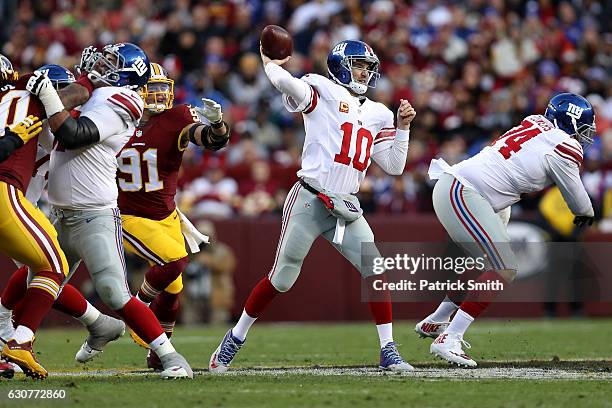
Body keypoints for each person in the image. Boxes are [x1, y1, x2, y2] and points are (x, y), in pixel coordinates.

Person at [209, 40, 416, 373]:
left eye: (368, 66)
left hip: (347, 206)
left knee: (376, 271)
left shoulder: (378, 112)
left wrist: (404, 128)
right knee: (283, 278)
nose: (366, 71)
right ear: (340, 65)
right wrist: (270, 63)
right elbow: (283, 82)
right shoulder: (322, 88)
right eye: (359, 64)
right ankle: (236, 336)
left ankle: (388, 349)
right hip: (310, 198)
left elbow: (394, 165)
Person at [25, 43, 192, 378]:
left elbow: (73, 134)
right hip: (59, 213)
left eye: (113, 62)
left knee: (114, 290)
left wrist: (56, 94)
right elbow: (66, 105)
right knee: (38, 282)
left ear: (130, 72)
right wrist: (78, 85)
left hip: (94, 214)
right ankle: (21, 341)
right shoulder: (95, 92)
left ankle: (171, 357)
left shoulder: (124, 99)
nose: (105, 65)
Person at [417, 93, 596, 367]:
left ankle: (440, 318)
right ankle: (450, 337)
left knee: (487, 264)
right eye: (583, 129)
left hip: (467, 191)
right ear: (569, 122)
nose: (584, 136)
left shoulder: (535, 123)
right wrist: (587, 212)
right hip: (464, 191)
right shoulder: (564, 146)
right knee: (505, 267)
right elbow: (578, 202)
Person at [0, 64, 125, 377]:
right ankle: (19, 334)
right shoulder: (30, 109)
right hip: (9, 199)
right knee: (51, 266)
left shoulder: (24, 108)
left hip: (20, 202)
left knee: (41, 267)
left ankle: (11, 331)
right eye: (61, 95)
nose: (69, 106)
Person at [115, 62, 229, 370]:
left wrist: (218, 126)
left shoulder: (176, 117)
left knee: (174, 287)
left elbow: (207, 138)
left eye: (163, 87)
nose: (158, 94)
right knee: (175, 261)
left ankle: (156, 354)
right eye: (151, 88)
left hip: (166, 215)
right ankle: (137, 308)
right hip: (128, 215)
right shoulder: (114, 120)